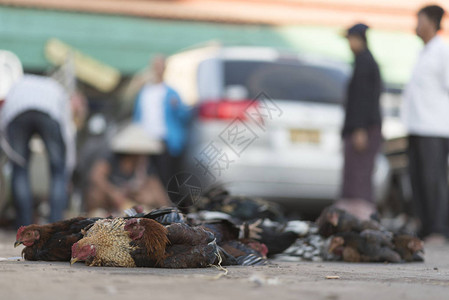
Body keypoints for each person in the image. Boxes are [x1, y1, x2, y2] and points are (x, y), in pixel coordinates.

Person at [0, 74, 75, 227]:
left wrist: (11, 152)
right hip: (48, 112)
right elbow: (67, 130)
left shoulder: (18, 83)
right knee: (57, 172)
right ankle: (55, 225)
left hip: (17, 112)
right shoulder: (55, 87)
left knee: (19, 169)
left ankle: (24, 225)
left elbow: (4, 116)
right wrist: (68, 167)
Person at [402, 5, 449, 243]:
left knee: (434, 179)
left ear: (431, 22)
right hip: (417, 126)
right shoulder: (424, 52)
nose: (416, 25)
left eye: (419, 20)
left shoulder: (442, 51)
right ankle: (426, 225)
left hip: (435, 128)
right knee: (418, 179)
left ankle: (439, 229)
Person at [338, 23, 383, 220]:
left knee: (359, 178)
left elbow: (364, 99)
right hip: (361, 128)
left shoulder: (365, 63)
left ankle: (359, 222)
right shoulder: (362, 61)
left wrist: (359, 129)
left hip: (363, 129)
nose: (349, 44)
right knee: (353, 176)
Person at [85, 124, 171, 217]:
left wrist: (166, 208)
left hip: (130, 202)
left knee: (149, 195)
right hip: (109, 201)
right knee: (96, 193)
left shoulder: (144, 165)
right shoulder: (112, 158)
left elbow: (157, 190)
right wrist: (113, 193)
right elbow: (96, 176)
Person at [133, 55, 191, 186]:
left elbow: (184, 116)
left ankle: (166, 204)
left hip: (165, 142)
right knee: (146, 177)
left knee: (165, 177)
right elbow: (137, 117)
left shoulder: (171, 92)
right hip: (145, 142)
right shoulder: (144, 92)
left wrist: (177, 107)